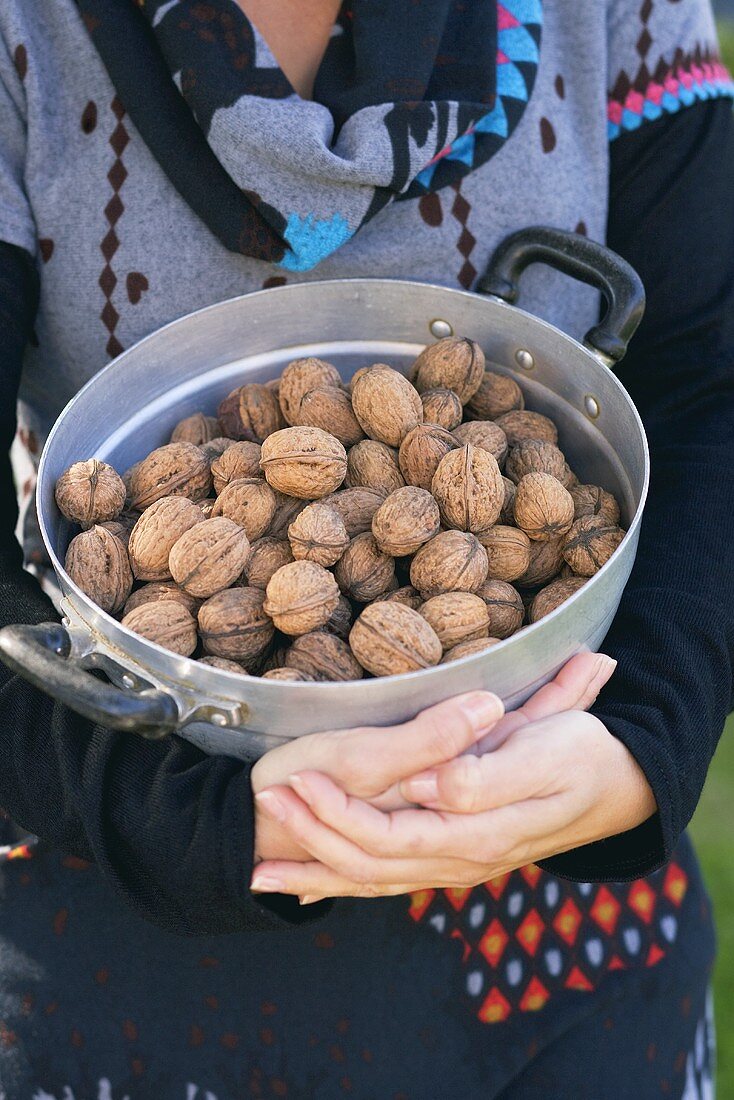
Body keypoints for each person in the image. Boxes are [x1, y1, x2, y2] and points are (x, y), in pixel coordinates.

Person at [0, 0, 731, 1095]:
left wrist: (639, 740)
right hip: (127, 918)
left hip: (562, 946)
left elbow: (709, 380)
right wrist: (187, 816)